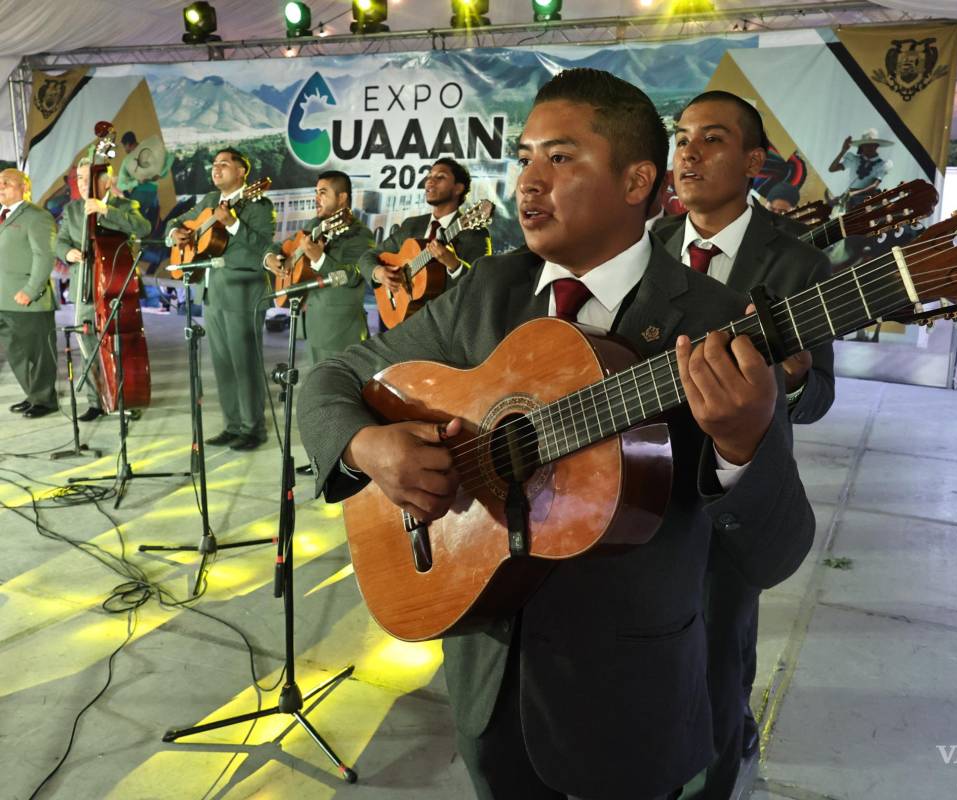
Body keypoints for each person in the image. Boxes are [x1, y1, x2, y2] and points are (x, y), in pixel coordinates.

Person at [298, 68, 815, 800]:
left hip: (631, 703)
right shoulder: (490, 289)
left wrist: (743, 444)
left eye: (560, 158)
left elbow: (776, 549)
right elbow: (334, 379)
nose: (528, 182)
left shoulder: (715, 322)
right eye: (523, 158)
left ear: (638, 180)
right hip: (489, 691)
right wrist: (366, 446)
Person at [652, 89, 834, 799]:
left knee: (718, 667)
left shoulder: (795, 266)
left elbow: (819, 398)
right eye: (683, 138)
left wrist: (788, 381)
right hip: (637, 491)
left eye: (713, 139)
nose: (690, 153)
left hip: (729, 498)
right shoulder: (646, 248)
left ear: (756, 161)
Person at [165, 148, 275, 451]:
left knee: (245, 363)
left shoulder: (259, 204)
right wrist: (176, 233)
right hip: (212, 293)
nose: (217, 169)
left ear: (242, 172)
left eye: (224, 164)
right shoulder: (210, 202)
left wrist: (233, 225)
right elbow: (176, 223)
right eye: (214, 164)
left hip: (243, 293)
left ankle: (254, 429)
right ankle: (233, 425)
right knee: (224, 364)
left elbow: (264, 249)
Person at [55, 159, 152, 421]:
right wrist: (67, 251)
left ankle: (125, 398)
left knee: (119, 345)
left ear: (106, 181)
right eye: (80, 179)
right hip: (84, 288)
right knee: (87, 346)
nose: (83, 183)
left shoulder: (124, 205)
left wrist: (106, 210)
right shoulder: (73, 209)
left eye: (89, 178)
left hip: (115, 288)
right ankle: (95, 402)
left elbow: (143, 227)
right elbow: (61, 240)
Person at [361, 157, 491, 331]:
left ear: (458, 188)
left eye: (440, 177)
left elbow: (481, 288)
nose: (430, 180)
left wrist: (453, 264)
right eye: (429, 176)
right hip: (405, 325)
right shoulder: (411, 226)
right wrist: (379, 273)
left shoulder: (474, 234)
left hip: (447, 328)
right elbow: (366, 258)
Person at [264, 170, 373, 366]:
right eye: (316, 192)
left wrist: (319, 258)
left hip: (341, 332)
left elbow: (353, 276)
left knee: (338, 392)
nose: (317, 198)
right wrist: (270, 257)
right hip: (312, 325)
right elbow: (284, 245)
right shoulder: (315, 224)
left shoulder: (361, 234)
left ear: (342, 198)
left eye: (323, 192)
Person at [0, 168, 59, 418]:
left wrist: (30, 290)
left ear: (24, 188)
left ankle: (45, 400)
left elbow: (44, 256)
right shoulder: (1, 216)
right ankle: (33, 395)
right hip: (3, 298)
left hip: (27, 300)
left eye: (7, 183)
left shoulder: (37, 217)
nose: (1, 186)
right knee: (17, 354)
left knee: (38, 354)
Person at [828, 128, 892, 208]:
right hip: (849, 198)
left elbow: (874, 186)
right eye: (865, 145)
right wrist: (843, 151)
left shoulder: (882, 164)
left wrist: (854, 193)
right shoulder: (854, 159)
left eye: (870, 145)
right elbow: (832, 169)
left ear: (876, 146)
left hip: (867, 199)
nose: (867, 148)